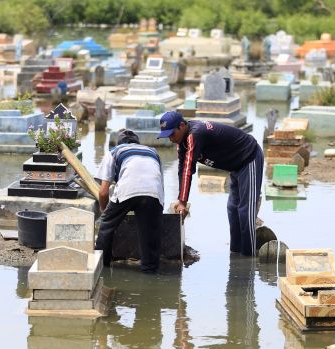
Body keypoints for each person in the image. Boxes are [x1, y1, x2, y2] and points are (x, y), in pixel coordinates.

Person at [157, 111, 263, 257]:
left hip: (249, 158)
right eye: (167, 136)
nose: (170, 139)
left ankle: (248, 259)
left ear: (182, 126)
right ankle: (235, 254)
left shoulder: (195, 134)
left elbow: (189, 170)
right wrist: (181, 200)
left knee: (246, 211)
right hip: (235, 166)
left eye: (172, 134)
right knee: (233, 209)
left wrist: (182, 202)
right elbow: (182, 169)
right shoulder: (181, 142)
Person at [94, 129, 164, 272]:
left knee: (106, 226)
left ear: (120, 143)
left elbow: (103, 192)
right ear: (137, 143)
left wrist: (105, 212)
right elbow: (159, 183)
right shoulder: (153, 152)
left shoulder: (115, 151)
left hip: (128, 189)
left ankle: (103, 267)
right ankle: (150, 271)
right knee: (150, 233)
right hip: (153, 193)